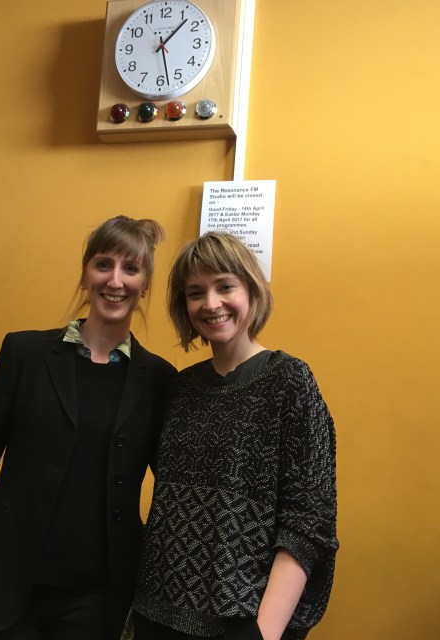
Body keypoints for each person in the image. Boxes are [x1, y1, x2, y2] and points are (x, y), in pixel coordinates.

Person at [0, 216, 176, 640]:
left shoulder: (160, 379)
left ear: (145, 285)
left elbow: (177, 490)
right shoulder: (26, 353)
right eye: (103, 264)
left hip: (95, 601)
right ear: (85, 274)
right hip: (3, 587)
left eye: (131, 269)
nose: (115, 280)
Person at [131, 232, 338, 640]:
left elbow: (309, 519)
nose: (211, 304)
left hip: (243, 620)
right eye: (196, 292)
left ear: (252, 291)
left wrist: (264, 631)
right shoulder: (179, 388)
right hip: (157, 613)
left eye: (225, 286)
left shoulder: (289, 381)